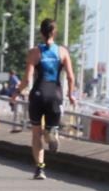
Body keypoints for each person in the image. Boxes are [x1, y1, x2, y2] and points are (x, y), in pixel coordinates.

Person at [17, 18, 76, 180]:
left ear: (41, 33)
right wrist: (71, 95)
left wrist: (16, 92)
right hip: (55, 96)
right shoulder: (62, 52)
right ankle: (51, 133)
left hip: (38, 95)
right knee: (49, 129)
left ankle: (40, 168)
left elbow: (27, 79)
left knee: (36, 134)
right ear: (54, 33)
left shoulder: (34, 52)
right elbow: (71, 77)